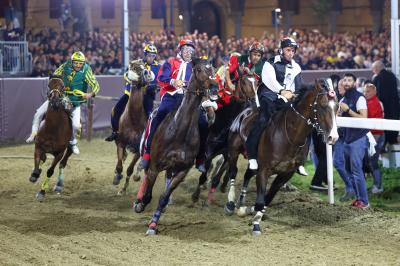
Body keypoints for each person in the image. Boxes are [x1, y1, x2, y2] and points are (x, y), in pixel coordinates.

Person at [139, 39, 210, 172]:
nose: (188, 53)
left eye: (191, 51)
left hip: (189, 99)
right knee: (157, 117)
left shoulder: (195, 67)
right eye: (186, 50)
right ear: (180, 51)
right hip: (171, 96)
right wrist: (173, 81)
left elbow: (202, 81)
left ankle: (200, 158)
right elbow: (161, 78)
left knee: (203, 122)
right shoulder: (170, 62)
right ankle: (147, 154)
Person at [26, 51, 100, 155]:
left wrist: (90, 94)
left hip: (75, 101)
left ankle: (73, 143)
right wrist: (55, 86)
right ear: (72, 61)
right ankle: (33, 134)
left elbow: (96, 85)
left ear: (83, 63)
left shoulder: (87, 70)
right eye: (76, 63)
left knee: (76, 126)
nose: (78, 65)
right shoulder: (65, 65)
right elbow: (55, 75)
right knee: (38, 113)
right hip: (60, 96)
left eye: (80, 63)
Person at [246, 37, 302, 170]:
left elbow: (298, 87)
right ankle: (252, 155)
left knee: (298, 122)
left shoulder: (297, 67)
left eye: (293, 51)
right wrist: (283, 91)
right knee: (263, 120)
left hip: (286, 99)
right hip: (268, 96)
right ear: (281, 50)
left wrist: (292, 94)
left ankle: (298, 159)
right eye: (288, 50)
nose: (291, 53)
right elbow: (269, 81)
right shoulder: (270, 63)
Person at [105, 44, 160, 142]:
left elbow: (160, 81)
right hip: (130, 94)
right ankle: (115, 132)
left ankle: (151, 136)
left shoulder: (159, 67)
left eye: (153, 55)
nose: (151, 58)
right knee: (116, 110)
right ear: (145, 54)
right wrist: (132, 78)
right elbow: (126, 75)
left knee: (149, 114)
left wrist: (156, 86)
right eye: (149, 55)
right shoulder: (135, 63)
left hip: (148, 95)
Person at [339, 73, 369, 209]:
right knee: (349, 171)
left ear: (355, 83)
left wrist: (348, 110)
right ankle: (359, 199)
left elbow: (363, 118)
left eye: (349, 80)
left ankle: (364, 202)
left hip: (358, 139)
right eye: (345, 80)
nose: (346, 82)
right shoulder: (343, 99)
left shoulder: (360, 98)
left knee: (357, 170)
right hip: (347, 139)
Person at [334, 79, 356, 202]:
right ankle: (350, 187)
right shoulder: (341, 100)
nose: (339, 89)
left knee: (346, 164)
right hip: (341, 135)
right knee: (338, 162)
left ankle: (352, 188)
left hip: (350, 137)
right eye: (338, 87)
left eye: (341, 87)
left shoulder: (353, 99)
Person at [363, 83, 385, 193]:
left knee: (372, 162)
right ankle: (376, 185)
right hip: (375, 135)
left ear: (374, 92)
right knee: (371, 161)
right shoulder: (372, 102)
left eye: (368, 91)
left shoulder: (373, 103)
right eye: (364, 91)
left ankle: (378, 186)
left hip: (376, 136)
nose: (365, 94)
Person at [372, 60, 400, 145]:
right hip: (395, 106)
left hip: (383, 107)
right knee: (393, 124)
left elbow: (376, 94)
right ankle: (393, 142)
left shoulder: (377, 78)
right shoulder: (392, 76)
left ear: (376, 69)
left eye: (373, 69)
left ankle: (384, 145)